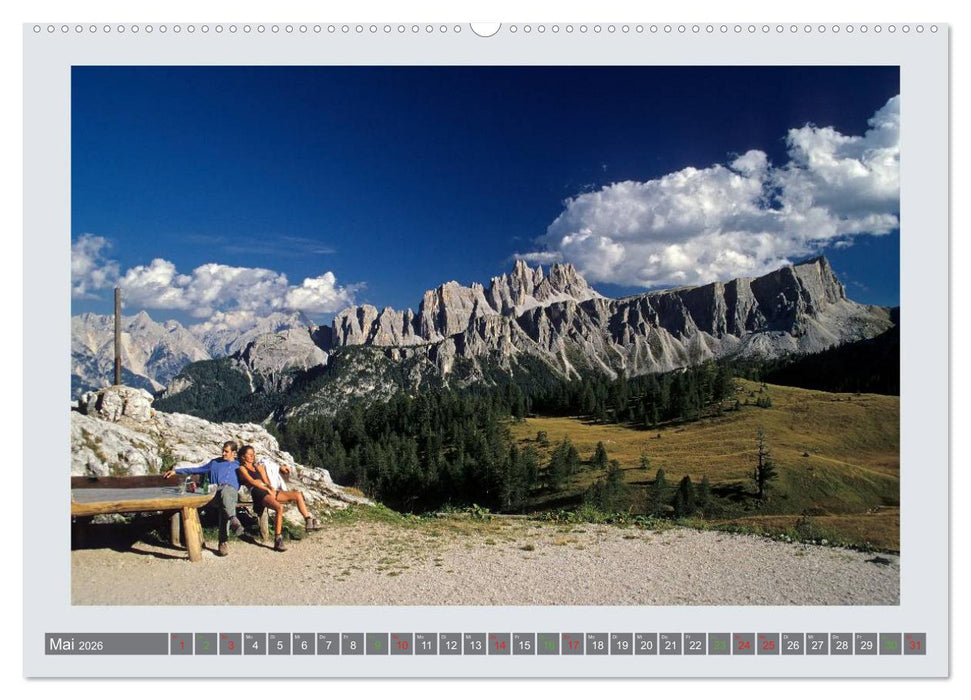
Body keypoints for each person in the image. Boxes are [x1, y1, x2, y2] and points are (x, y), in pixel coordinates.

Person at [163, 441, 244, 557]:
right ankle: (228, 530)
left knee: (226, 498)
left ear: (234, 453)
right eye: (223, 451)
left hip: (230, 493)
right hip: (215, 494)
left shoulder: (239, 465)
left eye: (226, 451)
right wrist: (176, 471)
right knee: (225, 501)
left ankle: (226, 533)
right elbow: (197, 469)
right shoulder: (215, 463)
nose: (223, 453)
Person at [236, 445, 321, 552]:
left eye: (253, 454)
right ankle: (278, 539)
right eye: (249, 454)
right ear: (243, 457)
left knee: (297, 495)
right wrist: (266, 488)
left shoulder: (258, 467)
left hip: (267, 490)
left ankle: (308, 520)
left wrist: (270, 488)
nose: (252, 456)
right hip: (257, 492)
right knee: (279, 508)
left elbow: (266, 481)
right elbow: (252, 482)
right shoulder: (242, 468)